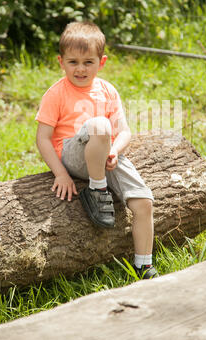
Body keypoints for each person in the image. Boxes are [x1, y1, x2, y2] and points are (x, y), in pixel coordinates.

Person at [35, 21, 158, 279]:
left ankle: (143, 265)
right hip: (73, 154)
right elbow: (43, 139)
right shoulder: (56, 93)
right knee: (100, 124)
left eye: (88, 62)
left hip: (104, 156)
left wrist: (114, 151)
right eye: (73, 62)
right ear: (61, 61)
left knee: (144, 201)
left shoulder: (108, 91)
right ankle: (97, 190)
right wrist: (60, 174)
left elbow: (124, 132)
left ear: (101, 62)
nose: (80, 69)